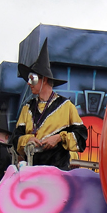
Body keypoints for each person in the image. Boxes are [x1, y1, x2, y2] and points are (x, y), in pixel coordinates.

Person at [13, 39, 87, 170]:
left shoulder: (66, 106)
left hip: (58, 172)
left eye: (32, 79)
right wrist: (27, 140)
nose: (28, 83)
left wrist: (59, 138)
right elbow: (14, 139)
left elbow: (81, 138)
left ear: (44, 79)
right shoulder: (27, 108)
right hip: (31, 171)